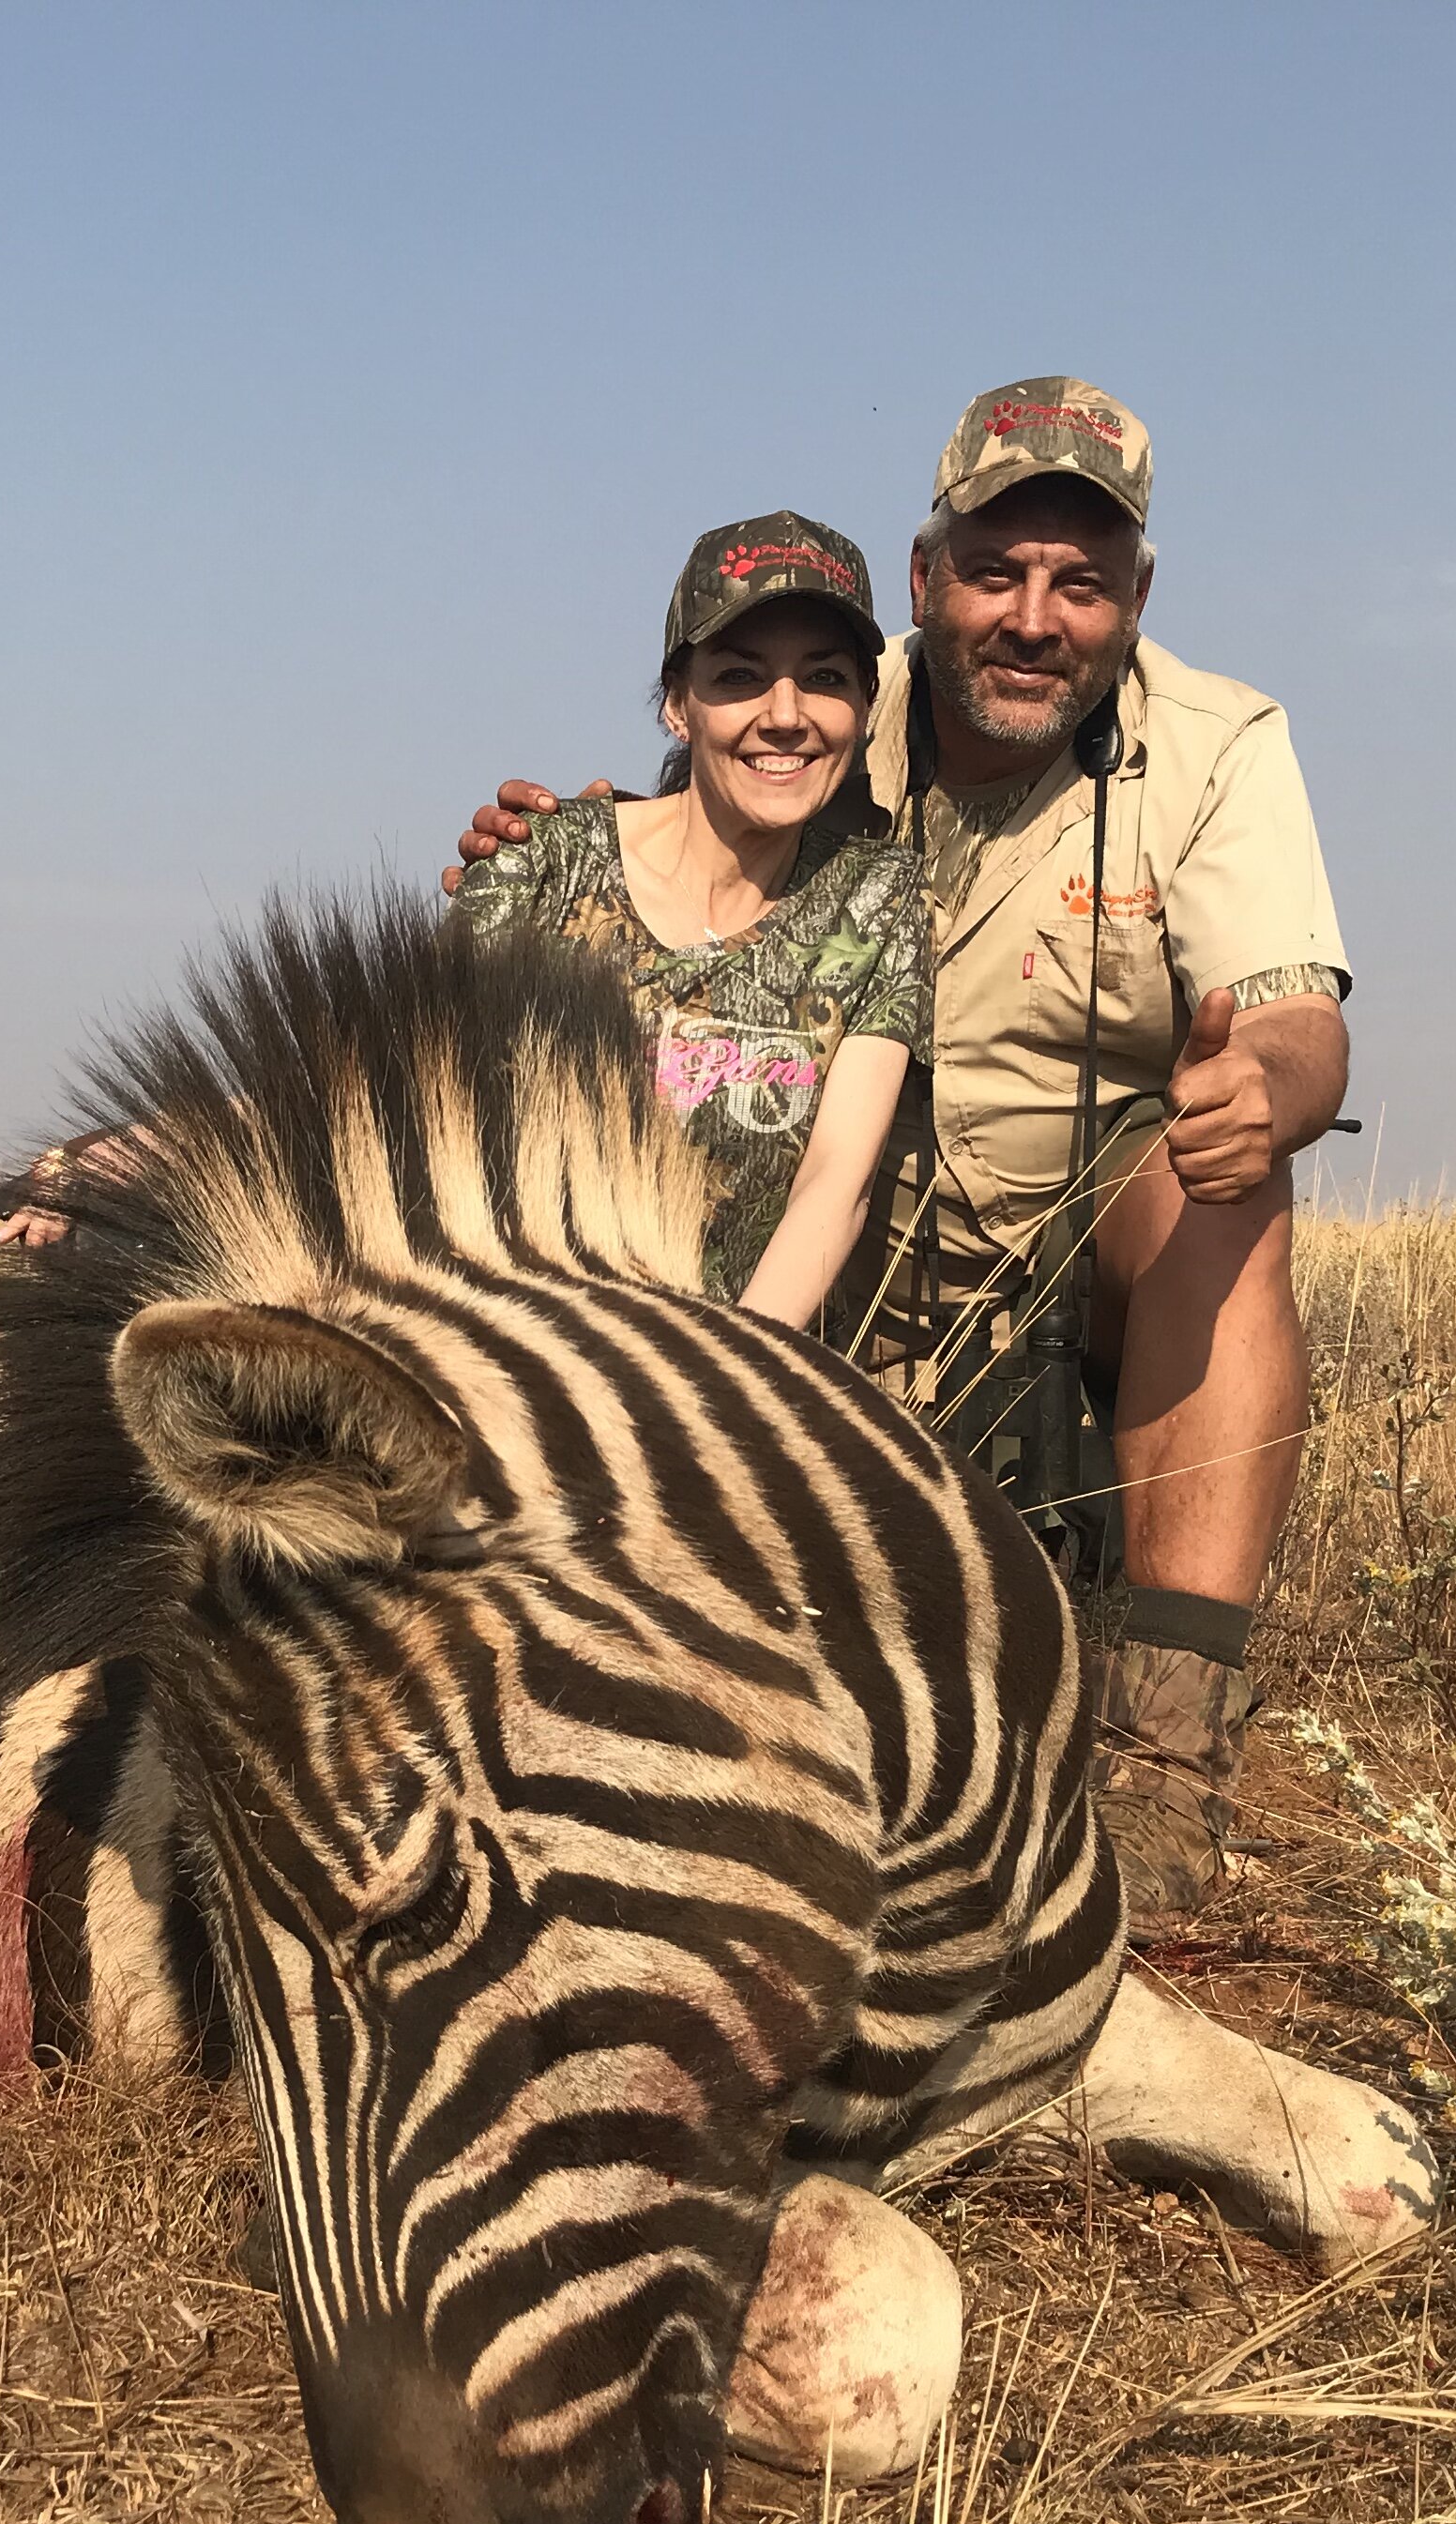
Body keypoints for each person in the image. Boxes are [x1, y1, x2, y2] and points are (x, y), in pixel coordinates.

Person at [454, 382, 1351, 1918]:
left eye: (1079, 582)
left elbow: (1292, 1023)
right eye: (994, 571)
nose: (1031, 615)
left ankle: (1164, 1755)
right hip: (818, 1256)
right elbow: (678, 884)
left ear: (1137, 597)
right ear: (927, 578)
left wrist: (1267, 1083)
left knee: (1230, 1182)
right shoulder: (817, 692)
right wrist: (559, 852)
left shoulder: (1217, 742)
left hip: (1068, 1264)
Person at [447, 513, 926, 1318]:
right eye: (740, 677)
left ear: (866, 706)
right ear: (679, 704)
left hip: (725, 1381)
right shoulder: (540, 862)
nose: (785, 713)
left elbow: (833, 1185)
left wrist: (727, 1391)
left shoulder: (877, 902)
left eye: (825, 678)